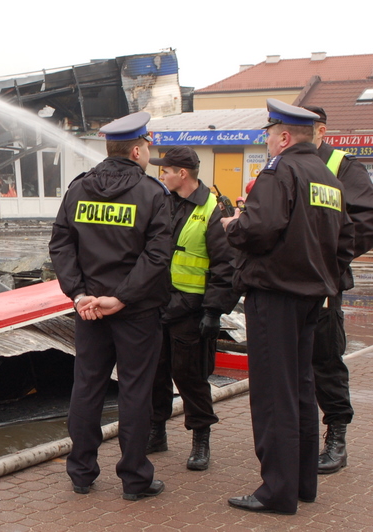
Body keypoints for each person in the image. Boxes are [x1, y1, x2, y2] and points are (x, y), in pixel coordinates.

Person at [220, 99, 354, 514]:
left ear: (283, 137)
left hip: (274, 295)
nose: (266, 141)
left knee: (274, 395)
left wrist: (232, 226)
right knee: (300, 389)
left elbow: (259, 228)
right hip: (313, 297)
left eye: (268, 134)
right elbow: (346, 240)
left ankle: (277, 492)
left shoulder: (280, 170)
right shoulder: (328, 178)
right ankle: (302, 484)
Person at [49, 111, 172, 501]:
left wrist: (79, 295)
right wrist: (121, 297)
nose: (149, 152)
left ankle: (81, 473)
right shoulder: (153, 194)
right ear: (136, 151)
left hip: (89, 311)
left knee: (87, 387)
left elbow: (61, 245)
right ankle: (135, 480)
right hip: (136, 312)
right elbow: (157, 256)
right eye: (147, 146)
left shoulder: (78, 189)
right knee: (135, 392)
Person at [145, 147, 238, 471]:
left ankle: (201, 439)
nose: (162, 176)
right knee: (155, 373)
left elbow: (226, 266)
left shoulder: (213, 209)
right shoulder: (162, 202)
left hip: (191, 309)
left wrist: (213, 312)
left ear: (182, 174)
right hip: (159, 304)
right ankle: (156, 432)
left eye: (166, 171)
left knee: (190, 377)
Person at [302, 105, 373, 474]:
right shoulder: (285, 163)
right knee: (292, 363)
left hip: (324, 281)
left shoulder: (343, 166)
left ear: (321, 131)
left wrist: (329, 257)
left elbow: (365, 221)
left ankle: (337, 438)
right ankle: (298, 438)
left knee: (326, 358)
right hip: (287, 282)